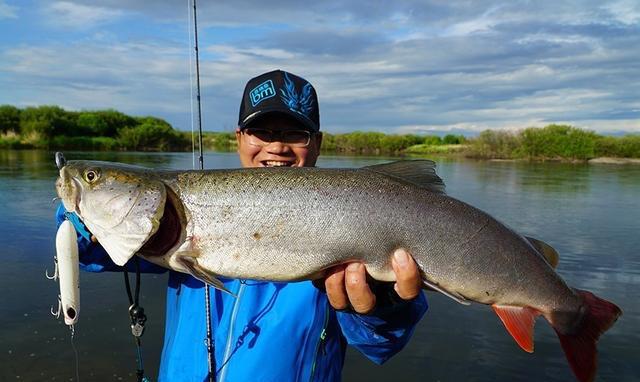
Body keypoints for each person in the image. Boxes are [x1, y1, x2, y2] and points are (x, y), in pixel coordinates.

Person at [56, 69, 428, 381]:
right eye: (262, 131)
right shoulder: (167, 224)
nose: (276, 146)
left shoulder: (349, 218)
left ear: (317, 143)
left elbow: (381, 342)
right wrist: (80, 211)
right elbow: (88, 250)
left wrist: (384, 305)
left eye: (294, 133)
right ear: (240, 138)